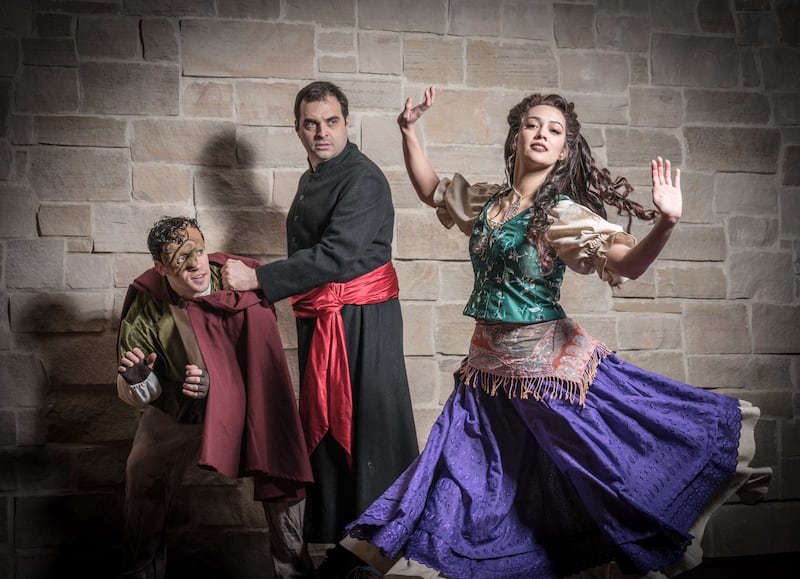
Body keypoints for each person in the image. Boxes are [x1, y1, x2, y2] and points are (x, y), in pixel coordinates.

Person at [336, 88, 773, 579]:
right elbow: (432, 188)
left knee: (606, 471)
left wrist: (666, 223)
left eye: (555, 130)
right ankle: (414, 560)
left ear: (565, 150)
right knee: (463, 476)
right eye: (532, 124)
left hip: (547, 373)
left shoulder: (561, 213)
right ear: (516, 136)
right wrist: (408, 130)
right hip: (486, 372)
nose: (542, 133)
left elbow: (626, 265)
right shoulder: (488, 203)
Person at [220, 81, 420, 573]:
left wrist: (260, 278)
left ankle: (371, 550)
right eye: (311, 123)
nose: (321, 132)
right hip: (326, 318)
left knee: (369, 426)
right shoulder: (315, 174)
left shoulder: (363, 178)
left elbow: (337, 255)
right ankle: (344, 549)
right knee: (331, 433)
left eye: (331, 122)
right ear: (297, 128)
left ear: (346, 123)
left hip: (361, 321)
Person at [116, 216, 315, 579]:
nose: (196, 266)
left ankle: (295, 572)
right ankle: (142, 573)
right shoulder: (149, 303)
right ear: (161, 267)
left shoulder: (239, 282)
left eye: (199, 251)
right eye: (180, 258)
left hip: (247, 402)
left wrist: (219, 387)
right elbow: (137, 388)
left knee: (281, 470)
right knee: (142, 468)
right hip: (178, 407)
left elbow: (261, 366)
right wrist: (141, 380)